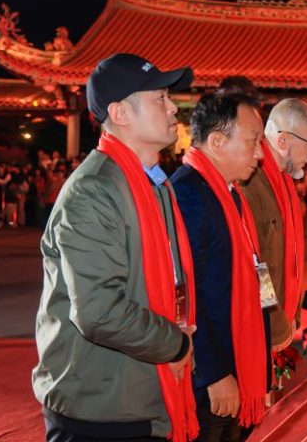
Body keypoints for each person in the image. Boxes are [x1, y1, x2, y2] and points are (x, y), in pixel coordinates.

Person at [34, 53, 198, 442]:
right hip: (101, 404)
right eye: (160, 98)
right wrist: (175, 344)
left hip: (138, 392)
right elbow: (99, 311)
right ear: (120, 113)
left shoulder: (153, 183)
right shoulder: (95, 190)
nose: (173, 107)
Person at [171, 93, 271, 441]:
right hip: (212, 376)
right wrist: (213, 373)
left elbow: (255, 269)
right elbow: (185, 294)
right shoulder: (188, 194)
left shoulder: (228, 193)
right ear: (216, 142)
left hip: (238, 357)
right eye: (253, 141)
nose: (260, 154)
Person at [240, 98, 307, 352]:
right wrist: (274, 323)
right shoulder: (250, 180)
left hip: (280, 315)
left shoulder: (282, 178)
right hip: (260, 324)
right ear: (283, 140)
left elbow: (290, 253)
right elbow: (257, 266)